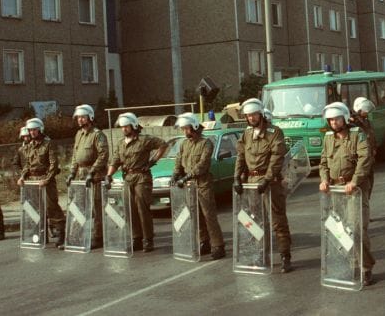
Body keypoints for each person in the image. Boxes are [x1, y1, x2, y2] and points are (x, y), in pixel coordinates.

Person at [233, 98, 293, 273]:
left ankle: (285, 255)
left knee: (277, 220)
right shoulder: (246, 134)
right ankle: (260, 255)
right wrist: (237, 177)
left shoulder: (274, 133)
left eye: (254, 114)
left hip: (270, 183)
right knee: (255, 221)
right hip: (251, 184)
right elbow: (241, 156)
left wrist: (266, 180)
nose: (251, 118)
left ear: (260, 114)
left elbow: (276, 158)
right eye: (248, 115)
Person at [319, 102, 376, 286]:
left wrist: (355, 181)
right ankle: (353, 263)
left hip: (355, 190)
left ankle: (366, 267)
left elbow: (365, 159)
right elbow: (323, 162)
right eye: (330, 120)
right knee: (341, 229)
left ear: (344, 118)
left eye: (336, 118)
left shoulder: (357, 135)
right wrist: (324, 179)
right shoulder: (328, 138)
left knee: (357, 228)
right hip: (336, 190)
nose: (333, 122)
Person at [106, 112, 168, 253]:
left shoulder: (144, 140)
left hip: (142, 177)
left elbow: (163, 145)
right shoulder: (121, 144)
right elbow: (115, 161)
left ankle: (148, 239)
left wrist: (152, 161)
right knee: (130, 209)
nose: (123, 129)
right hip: (127, 178)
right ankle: (136, 238)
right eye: (121, 127)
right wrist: (109, 175)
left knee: (142, 208)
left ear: (133, 125)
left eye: (126, 126)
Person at [172, 112, 225, 260]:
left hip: (203, 184)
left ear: (194, 126)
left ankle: (218, 245)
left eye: (186, 128)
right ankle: (204, 242)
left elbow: (202, 164)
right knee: (195, 216)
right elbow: (178, 161)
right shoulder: (184, 144)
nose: (184, 131)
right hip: (189, 185)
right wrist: (175, 174)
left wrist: (187, 176)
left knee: (209, 215)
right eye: (182, 129)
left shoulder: (206, 143)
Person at [66, 104, 109, 250]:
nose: (79, 120)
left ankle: (98, 237)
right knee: (79, 205)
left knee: (96, 208)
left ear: (90, 117)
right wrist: (72, 172)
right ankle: (75, 236)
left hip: (95, 176)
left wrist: (93, 171)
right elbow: (75, 156)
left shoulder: (97, 134)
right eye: (78, 117)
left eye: (82, 117)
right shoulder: (79, 134)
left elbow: (103, 155)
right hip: (80, 175)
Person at [18, 118, 65, 247]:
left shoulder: (48, 144)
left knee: (52, 208)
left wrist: (47, 179)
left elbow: (53, 164)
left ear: (40, 129)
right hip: (33, 181)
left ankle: (62, 234)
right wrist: (22, 176)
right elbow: (28, 165)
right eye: (30, 130)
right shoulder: (29, 146)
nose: (32, 132)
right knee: (36, 208)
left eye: (34, 129)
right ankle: (40, 235)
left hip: (46, 180)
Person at [350, 97, 377, 200]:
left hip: (369, 159)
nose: (367, 112)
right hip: (359, 160)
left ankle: (365, 205)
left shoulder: (367, 122)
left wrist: (374, 148)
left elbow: (372, 136)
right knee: (361, 185)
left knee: (369, 184)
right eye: (365, 110)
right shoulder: (353, 123)